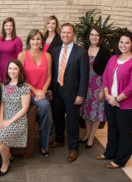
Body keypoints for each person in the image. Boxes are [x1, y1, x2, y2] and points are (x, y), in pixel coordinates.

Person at [96, 30, 132, 169]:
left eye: (127, 42)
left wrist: (117, 99)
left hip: (128, 105)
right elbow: (105, 77)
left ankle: (120, 160)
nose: (123, 45)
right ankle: (110, 152)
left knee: (124, 132)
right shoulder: (113, 58)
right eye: (121, 42)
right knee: (112, 128)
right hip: (110, 101)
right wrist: (107, 94)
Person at [49, 23, 89, 162]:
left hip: (73, 93)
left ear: (73, 34)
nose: (66, 35)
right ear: (61, 34)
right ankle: (60, 139)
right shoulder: (55, 51)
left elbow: (84, 76)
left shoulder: (81, 52)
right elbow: (52, 72)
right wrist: (49, 89)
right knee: (58, 117)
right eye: (64, 32)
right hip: (57, 90)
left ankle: (73, 147)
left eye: (69, 32)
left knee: (72, 121)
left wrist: (81, 94)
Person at [0, 59, 30, 177]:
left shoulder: (24, 86)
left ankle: (6, 162)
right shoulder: (5, 84)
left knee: (0, 141)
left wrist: (9, 122)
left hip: (18, 121)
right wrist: (1, 119)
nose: (12, 71)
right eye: (10, 68)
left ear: (20, 70)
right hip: (5, 118)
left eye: (15, 69)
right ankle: (9, 156)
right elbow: (2, 103)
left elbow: (25, 108)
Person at [18, 29, 53, 157]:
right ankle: (44, 144)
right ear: (29, 41)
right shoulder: (22, 55)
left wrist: (43, 91)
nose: (35, 42)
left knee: (47, 113)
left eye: (38, 39)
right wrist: (35, 90)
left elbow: (49, 77)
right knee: (46, 107)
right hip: (27, 92)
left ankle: (43, 143)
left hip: (42, 92)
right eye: (33, 39)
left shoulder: (47, 56)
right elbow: (20, 77)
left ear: (42, 41)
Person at [80, 26, 110, 148]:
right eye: (92, 34)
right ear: (89, 36)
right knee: (86, 111)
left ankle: (92, 136)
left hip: (98, 86)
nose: (94, 37)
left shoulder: (104, 52)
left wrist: (103, 90)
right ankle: (87, 133)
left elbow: (108, 73)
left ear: (100, 37)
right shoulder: (84, 50)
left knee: (96, 112)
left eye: (97, 35)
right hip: (85, 86)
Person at [0, 17, 22, 83]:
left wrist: (17, 72)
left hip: (12, 71)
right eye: (6, 25)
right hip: (1, 70)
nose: (8, 27)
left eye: (10, 25)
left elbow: (19, 59)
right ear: (3, 27)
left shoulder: (17, 40)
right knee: (1, 90)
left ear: (13, 27)